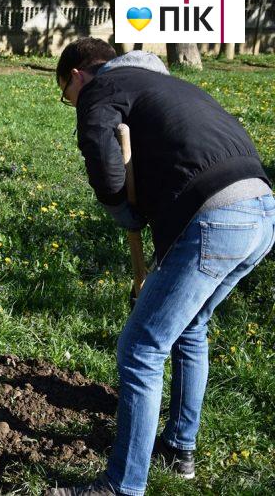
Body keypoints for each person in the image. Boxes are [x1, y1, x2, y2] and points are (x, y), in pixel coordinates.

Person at [47, 38, 274, 495]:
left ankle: (122, 485)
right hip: (262, 211)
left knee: (141, 350)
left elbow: (97, 141)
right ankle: (179, 448)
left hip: (216, 216)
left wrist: (116, 206)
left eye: (66, 95)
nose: (72, 102)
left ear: (76, 75)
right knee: (191, 329)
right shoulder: (164, 87)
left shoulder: (103, 86)